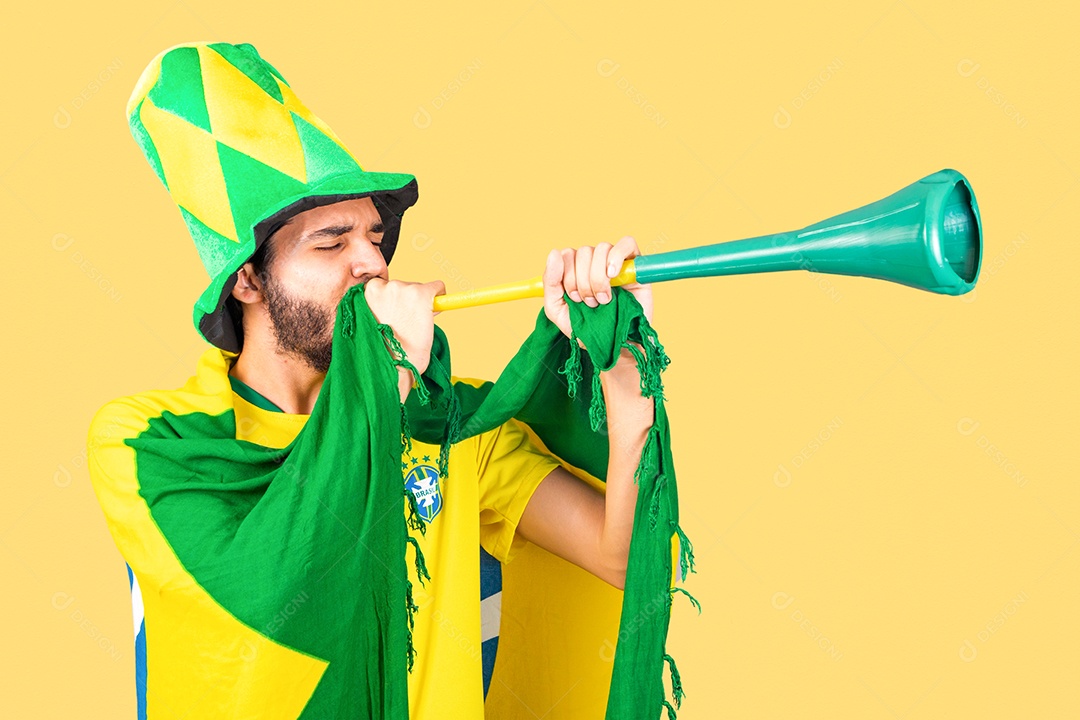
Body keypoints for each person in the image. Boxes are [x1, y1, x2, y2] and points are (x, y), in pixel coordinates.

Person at [87, 42, 684, 719]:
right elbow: (273, 593)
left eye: (375, 237)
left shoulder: (450, 427)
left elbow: (624, 562)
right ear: (248, 279)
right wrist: (387, 378)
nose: (372, 263)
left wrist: (622, 376)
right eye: (331, 242)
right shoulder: (146, 442)